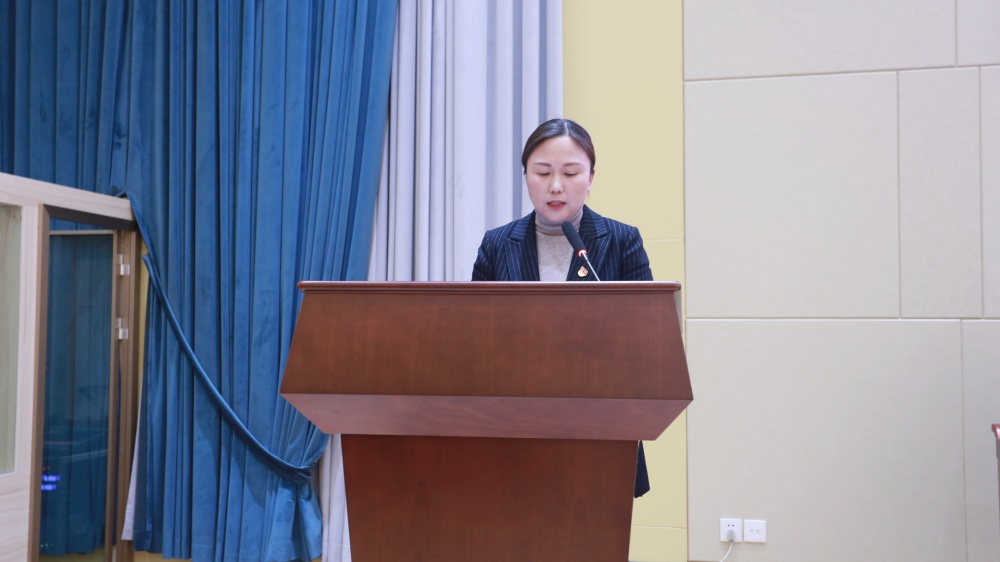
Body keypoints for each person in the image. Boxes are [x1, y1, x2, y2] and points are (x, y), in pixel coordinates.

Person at [471, 118, 652, 497]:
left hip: (601, 435)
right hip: (513, 434)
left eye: (570, 173)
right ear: (526, 175)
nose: (556, 185)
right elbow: (474, 341)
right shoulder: (497, 245)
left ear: (591, 177)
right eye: (542, 172)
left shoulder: (622, 241)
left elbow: (650, 339)